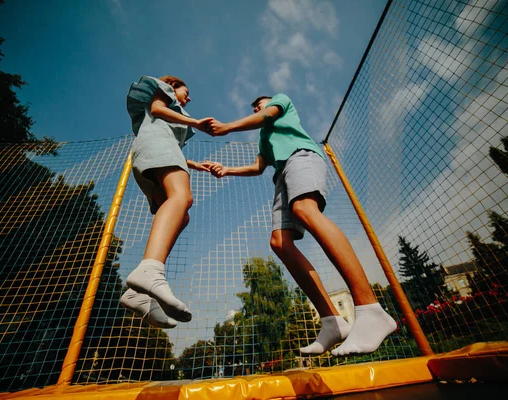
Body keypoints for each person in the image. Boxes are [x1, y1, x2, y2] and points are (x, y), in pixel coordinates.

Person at [203, 94, 396, 356]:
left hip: (302, 158)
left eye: (261, 103)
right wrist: (227, 170)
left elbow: (267, 114)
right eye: (255, 106)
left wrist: (226, 127)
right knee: (280, 242)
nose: (258, 107)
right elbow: (258, 167)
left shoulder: (280, 104)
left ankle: (370, 309)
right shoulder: (264, 138)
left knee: (305, 209)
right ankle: (332, 321)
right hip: (281, 175)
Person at [122, 75, 213, 329]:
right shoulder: (165, 93)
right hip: (157, 149)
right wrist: (195, 121)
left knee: (180, 214)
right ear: (174, 85)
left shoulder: (174, 117)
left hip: (154, 152)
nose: (189, 96)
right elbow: (157, 109)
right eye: (187, 90)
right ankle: (150, 271)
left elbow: (172, 144)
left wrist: (196, 165)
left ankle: (138, 294)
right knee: (182, 197)